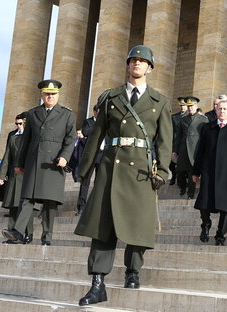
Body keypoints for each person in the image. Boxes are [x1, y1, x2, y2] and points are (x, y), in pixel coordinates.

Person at [75, 45, 172, 306]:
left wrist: (162, 171)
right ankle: (97, 284)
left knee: (137, 225)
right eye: (133, 60)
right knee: (102, 226)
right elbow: (96, 136)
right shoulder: (111, 97)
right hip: (111, 167)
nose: (137, 64)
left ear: (149, 68)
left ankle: (133, 270)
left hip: (141, 170)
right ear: (128, 65)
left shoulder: (159, 101)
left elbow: (164, 141)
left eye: (142, 61)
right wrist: (83, 169)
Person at [2, 79, 77, 245]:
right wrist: (19, 163)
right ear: (42, 95)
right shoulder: (33, 113)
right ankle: (18, 232)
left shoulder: (67, 114)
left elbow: (70, 139)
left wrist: (65, 156)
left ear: (58, 95)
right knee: (27, 198)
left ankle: (47, 237)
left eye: (53, 94)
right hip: (34, 162)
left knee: (50, 203)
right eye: (47, 94)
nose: (50, 96)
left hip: (53, 163)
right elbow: (26, 141)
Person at [192, 100, 227, 246]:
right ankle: (206, 224)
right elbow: (200, 151)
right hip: (208, 171)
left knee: (226, 207)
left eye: (225, 109)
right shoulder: (207, 128)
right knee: (204, 203)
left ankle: (220, 234)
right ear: (215, 111)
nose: (222, 111)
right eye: (219, 108)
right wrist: (196, 171)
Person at [0, 114, 33, 244]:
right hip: (14, 175)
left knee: (26, 206)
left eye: (21, 123)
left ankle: (29, 234)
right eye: (17, 123)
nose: (19, 126)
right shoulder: (13, 137)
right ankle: (12, 234)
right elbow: (7, 157)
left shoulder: (34, 137)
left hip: (28, 176)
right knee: (13, 205)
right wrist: (1, 175)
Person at [173, 96, 208, 199]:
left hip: (195, 149)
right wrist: (175, 150)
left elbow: (206, 137)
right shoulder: (183, 119)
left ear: (196, 106)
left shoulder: (203, 120)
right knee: (179, 171)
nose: (190, 108)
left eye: (192, 106)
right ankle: (182, 186)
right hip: (183, 149)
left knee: (192, 172)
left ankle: (190, 193)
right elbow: (178, 136)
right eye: (188, 106)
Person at [76, 104, 101, 215]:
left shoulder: (107, 123)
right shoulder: (88, 122)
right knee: (85, 181)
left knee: (99, 182)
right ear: (95, 112)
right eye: (99, 112)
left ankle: (95, 207)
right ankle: (81, 207)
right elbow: (86, 132)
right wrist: (99, 125)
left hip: (102, 154)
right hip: (91, 155)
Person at [169, 97, 188, 185]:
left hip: (184, 143)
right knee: (172, 162)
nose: (182, 107)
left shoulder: (190, 116)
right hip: (175, 142)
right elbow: (171, 130)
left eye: (184, 105)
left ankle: (183, 179)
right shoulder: (174, 117)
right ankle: (173, 175)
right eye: (181, 105)